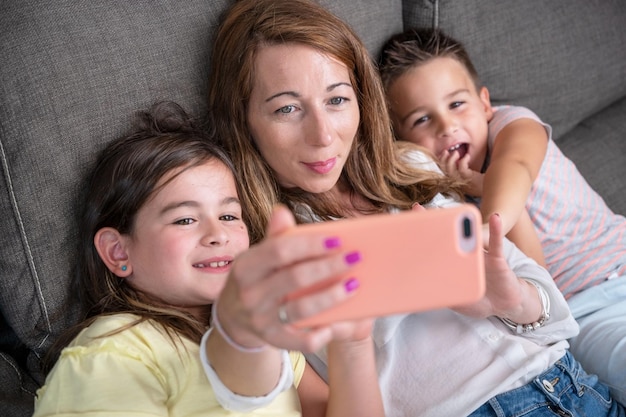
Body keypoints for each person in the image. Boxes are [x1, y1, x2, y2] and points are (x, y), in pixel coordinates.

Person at [207, 0, 626, 415]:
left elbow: (556, 320)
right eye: (287, 108)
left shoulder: (410, 167)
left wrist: (511, 300)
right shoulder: (258, 253)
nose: (323, 135)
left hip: (576, 388)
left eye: (336, 100)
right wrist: (343, 343)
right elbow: (249, 377)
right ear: (242, 121)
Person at [32, 101, 384, 417]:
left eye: (230, 216)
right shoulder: (112, 352)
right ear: (118, 251)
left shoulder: (272, 335)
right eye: (185, 219)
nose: (219, 234)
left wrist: (351, 344)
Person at [378, 27, 626, 405]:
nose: (447, 126)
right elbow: (538, 278)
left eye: (457, 104)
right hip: (587, 311)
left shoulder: (511, 125)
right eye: (421, 120)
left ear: (485, 103)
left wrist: (480, 208)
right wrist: (472, 197)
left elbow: (516, 168)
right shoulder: (442, 198)